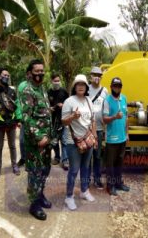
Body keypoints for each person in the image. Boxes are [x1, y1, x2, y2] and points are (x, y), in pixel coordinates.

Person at [19, 59, 52, 221]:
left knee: (45, 170)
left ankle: (40, 195)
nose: (40, 74)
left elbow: (42, 112)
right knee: (35, 173)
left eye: (42, 71)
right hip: (36, 143)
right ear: (29, 73)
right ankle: (34, 205)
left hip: (47, 140)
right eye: (36, 71)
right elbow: (26, 117)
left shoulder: (42, 88)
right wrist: (39, 138)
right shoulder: (27, 90)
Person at [61, 74, 97, 210]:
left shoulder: (89, 100)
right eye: (78, 84)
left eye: (83, 84)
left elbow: (92, 120)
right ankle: (69, 197)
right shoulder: (69, 101)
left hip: (88, 141)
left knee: (86, 168)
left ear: (86, 87)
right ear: (75, 87)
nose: (81, 86)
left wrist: (95, 138)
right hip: (73, 142)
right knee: (74, 170)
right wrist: (72, 116)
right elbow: (63, 121)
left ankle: (84, 191)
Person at [0, 68, 22, 179]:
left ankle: (14, 165)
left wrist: (19, 119)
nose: (7, 77)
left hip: (11, 123)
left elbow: (17, 105)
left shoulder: (12, 90)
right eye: (4, 75)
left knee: (12, 146)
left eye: (8, 75)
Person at [103, 77, 130, 196]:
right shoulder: (107, 100)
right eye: (115, 86)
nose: (117, 88)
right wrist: (114, 117)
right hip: (111, 139)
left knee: (119, 163)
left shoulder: (124, 98)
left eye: (119, 86)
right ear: (111, 87)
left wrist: (127, 133)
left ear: (121, 87)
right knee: (110, 165)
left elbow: (126, 117)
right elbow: (104, 119)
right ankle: (110, 186)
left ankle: (119, 183)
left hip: (122, 138)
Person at [88, 67, 108, 189]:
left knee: (97, 155)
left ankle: (97, 179)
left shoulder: (105, 90)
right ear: (91, 76)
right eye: (95, 74)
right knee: (87, 156)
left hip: (100, 129)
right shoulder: (86, 89)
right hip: (87, 129)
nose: (97, 77)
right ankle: (85, 180)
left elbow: (107, 107)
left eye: (99, 75)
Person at [48, 73, 69, 168]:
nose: (57, 82)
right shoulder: (49, 92)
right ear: (51, 81)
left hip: (63, 120)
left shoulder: (64, 91)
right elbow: (45, 105)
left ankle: (65, 160)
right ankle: (57, 157)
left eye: (58, 80)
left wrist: (63, 105)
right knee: (55, 140)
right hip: (52, 121)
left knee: (64, 140)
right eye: (55, 81)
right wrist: (50, 108)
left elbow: (69, 104)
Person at [17, 65, 31, 167]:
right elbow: (18, 102)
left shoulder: (38, 85)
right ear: (26, 75)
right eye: (29, 74)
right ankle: (23, 158)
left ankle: (32, 158)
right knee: (22, 140)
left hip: (35, 118)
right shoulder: (22, 85)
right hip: (24, 118)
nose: (30, 76)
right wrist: (19, 117)